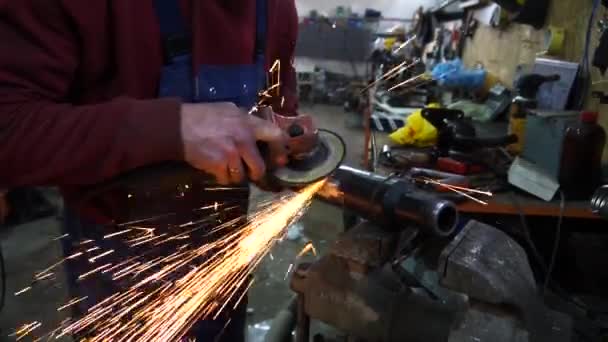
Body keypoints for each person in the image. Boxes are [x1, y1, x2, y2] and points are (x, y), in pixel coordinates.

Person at [0, 0, 298, 340]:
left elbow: (277, 108)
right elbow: (8, 130)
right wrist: (171, 129)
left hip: (224, 251)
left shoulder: (277, 8)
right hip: (118, 263)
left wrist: (282, 146)